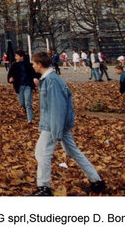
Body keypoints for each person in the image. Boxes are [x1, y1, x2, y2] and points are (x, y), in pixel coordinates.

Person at [29, 51, 105, 196]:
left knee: (42, 153)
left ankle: (44, 187)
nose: (32, 66)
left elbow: (57, 107)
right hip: (57, 123)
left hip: (53, 124)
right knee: (73, 151)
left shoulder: (51, 81)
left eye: (33, 64)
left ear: (39, 64)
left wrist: (55, 131)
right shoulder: (50, 79)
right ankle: (96, 181)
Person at [7, 49, 40, 124]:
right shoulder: (14, 65)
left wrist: (35, 78)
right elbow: (10, 74)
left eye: (17, 56)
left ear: (22, 57)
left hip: (27, 85)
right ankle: (25, 108)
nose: (16, 57)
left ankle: (30, 120)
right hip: (19, 86)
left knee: (28, 102)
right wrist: (10, 78)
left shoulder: (28, 65)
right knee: (22, 103)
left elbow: (35, 73)